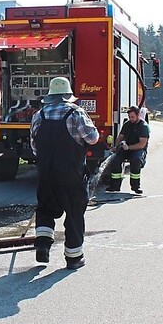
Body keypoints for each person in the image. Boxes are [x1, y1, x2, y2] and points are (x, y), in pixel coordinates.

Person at [29, 77, 99, 270]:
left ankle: (42, 246)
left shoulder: (39, 115)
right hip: (70, 174)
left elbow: (34, 146)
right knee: (74, 213)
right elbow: (92, 139)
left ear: (50, 96)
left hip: (45, 173)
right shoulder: (76, 113)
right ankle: (74, 257)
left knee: (45, 209)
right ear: (68, 96)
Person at [107, 105, 150, 194]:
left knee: (136, 160)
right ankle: (114, 186)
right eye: (129, 117)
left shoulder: (143, 127)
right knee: (116, 160)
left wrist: (129, 147)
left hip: (138, 149)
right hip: (126, 148)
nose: (131, 119)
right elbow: (120, 137)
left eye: (133, 117)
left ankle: (135, 186)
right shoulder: (127, 124)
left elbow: (142, 144)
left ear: (138, 115)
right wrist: (116, 146)